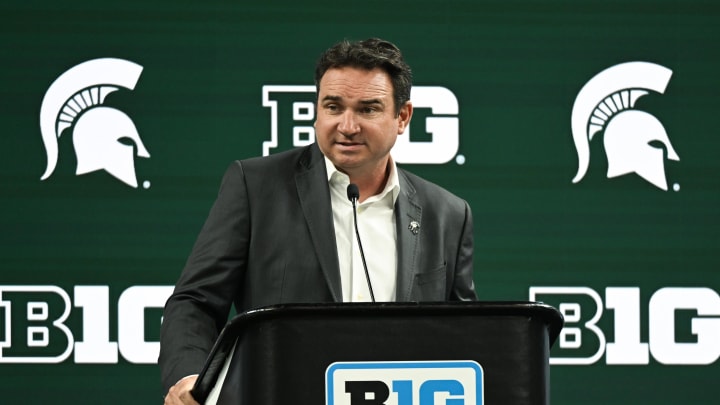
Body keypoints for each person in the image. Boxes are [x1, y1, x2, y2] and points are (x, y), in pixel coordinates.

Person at [159, 37, 477, 404]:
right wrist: (190, 377)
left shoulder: (447, 214)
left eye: (368, 109)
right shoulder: (256, 187)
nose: (347, 125)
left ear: (402, 117)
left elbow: (466, 334)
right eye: (333, 106)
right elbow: (195, 301)